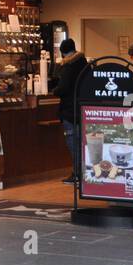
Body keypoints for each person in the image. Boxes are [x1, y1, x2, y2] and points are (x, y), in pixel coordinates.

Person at [50, 38, 89, 185]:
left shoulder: (68, 66)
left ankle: (77, 173)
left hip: (69, 110)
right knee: (83, 142)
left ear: (62, 52)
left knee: (73, 142)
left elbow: (64, 88)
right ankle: (85, 172)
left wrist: (55, 91)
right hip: (83, 109)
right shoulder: (85, 64)